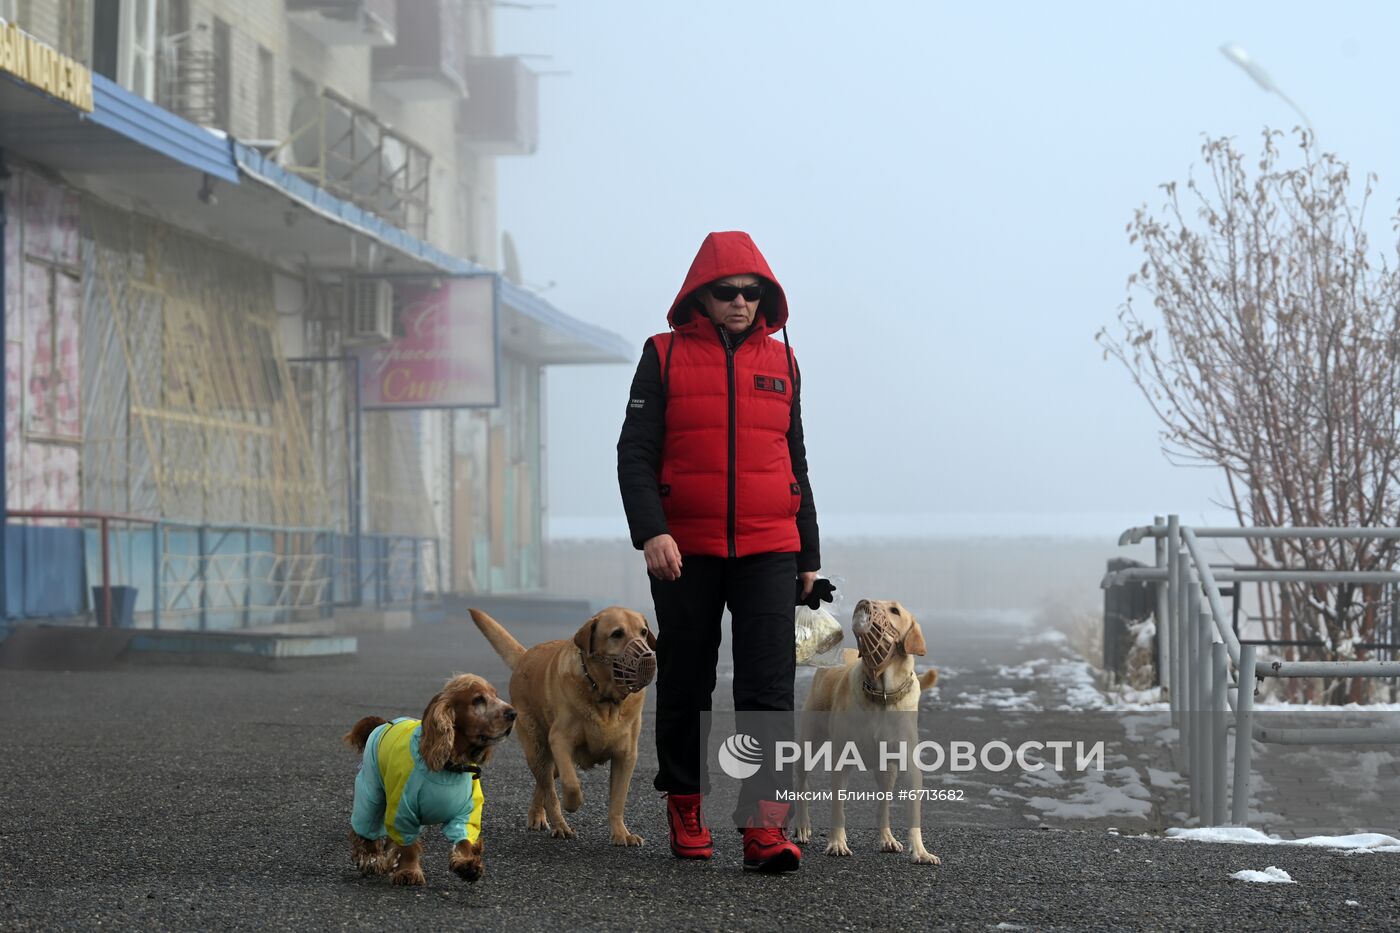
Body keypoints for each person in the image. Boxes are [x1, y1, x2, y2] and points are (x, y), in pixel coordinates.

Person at [616, 230, 820, 873]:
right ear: (701, 296)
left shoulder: (783, 362)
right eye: (727, 292)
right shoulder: (664, 355)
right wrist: (652, 531)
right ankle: (685, 805)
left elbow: (797, 461)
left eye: (752, 293)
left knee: (768, 688)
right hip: (685, 550)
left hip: (769, 548)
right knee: (687, 682)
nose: (740, 302)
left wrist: (807, 554)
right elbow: (635, 454)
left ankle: (765, 828)